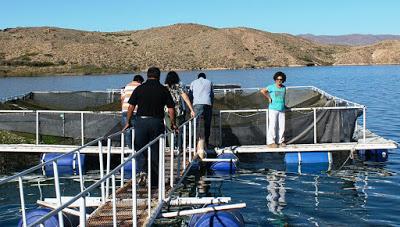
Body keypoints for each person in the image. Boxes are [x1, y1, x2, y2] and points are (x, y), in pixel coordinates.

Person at [123, 67, 176, 187]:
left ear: (147, 75)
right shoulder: (163, 90)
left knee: (140, 149)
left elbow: (130, 106)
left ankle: (142, 173)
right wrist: (172, 123)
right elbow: (171, 108)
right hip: (157, 123)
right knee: (155, 150)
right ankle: (155, 180)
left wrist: (128, 121)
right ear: (159, 76)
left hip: (141, 123)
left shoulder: (140, 88)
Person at [164, 71, 195, 150]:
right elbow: (185, 98)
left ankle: (171, 148)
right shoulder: (179, 86)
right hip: (178, 110)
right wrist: (191, 109)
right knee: (179, 129)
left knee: (169, 130)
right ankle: (179, 147)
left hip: (167, 110)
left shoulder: (164, 87)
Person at [260, 71, 287, 148]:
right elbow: (262, 91)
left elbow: (283, 98)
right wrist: (269, 97)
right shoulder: (271, 87)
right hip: (273, 109)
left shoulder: (284, 88)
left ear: (283, 80)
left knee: (282, 126)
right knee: (273, 126)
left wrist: (284, 106)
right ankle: (271, 142)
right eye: (277, 79)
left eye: (281, 79)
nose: (279, 80)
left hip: (282, 109)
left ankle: (281, 141)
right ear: (275, 79)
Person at [190, 73, 214, 147]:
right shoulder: (209, 82)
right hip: (207, 104)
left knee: (195, 124)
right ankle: (206, 141)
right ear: (205, 77)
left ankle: (194, 142)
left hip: (197, 104)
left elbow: (190, 95)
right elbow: (212, 95)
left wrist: (191, 107)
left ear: (198, 77)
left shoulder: (193, 82)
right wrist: (211, 105)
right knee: (207, 124)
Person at [121, 74, 144, 148]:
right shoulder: (140, 86)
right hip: (136, 110)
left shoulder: (126, 86)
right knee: (137, 129)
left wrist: (123, 108)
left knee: (127, 130)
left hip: (125, 110)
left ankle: (130, 147)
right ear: (139, 81)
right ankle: (137, 148)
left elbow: (122, 98)